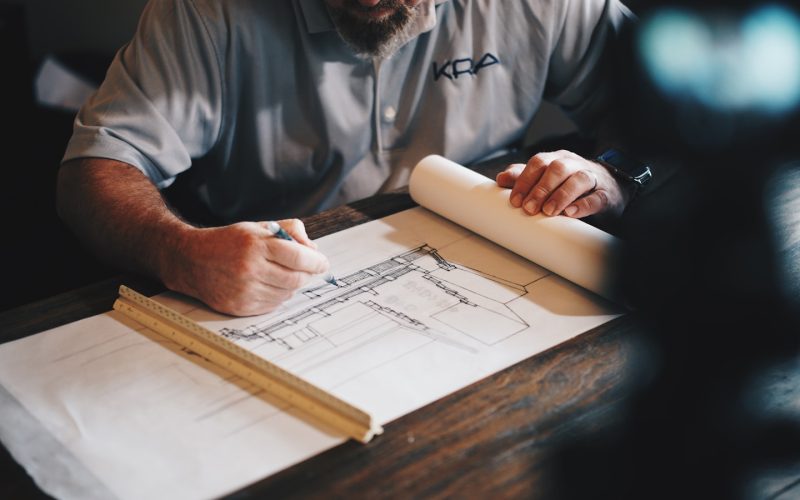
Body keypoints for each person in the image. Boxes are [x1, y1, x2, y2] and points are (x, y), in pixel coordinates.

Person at [57, 0, 636, 316]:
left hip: (502, 280)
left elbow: (688, 113)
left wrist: (613, 172)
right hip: (276, 285)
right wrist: (178, 251)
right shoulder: (206, 13)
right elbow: (95, 169)